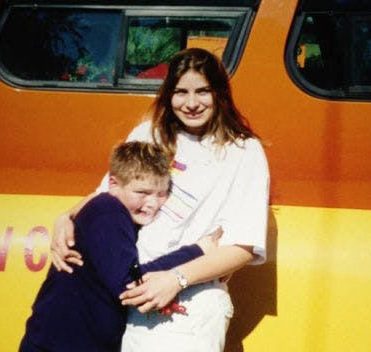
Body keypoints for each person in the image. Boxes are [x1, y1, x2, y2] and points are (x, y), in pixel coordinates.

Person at [51, 48, 270, 351]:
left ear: (219, 93)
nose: (191, 103)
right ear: (168, 94)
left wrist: (176, 279)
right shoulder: (148, 134)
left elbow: (243, 247)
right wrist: (66, 217)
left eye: (202, 91)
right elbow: (110, 195)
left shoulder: (244, 151)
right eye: (181, 92)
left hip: (190, 304)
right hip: (132, 298)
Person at [20, 141, 219, 352]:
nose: (153, 203)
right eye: (142, 192)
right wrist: (198, 251)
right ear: (114, 185)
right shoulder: (108, 211)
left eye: (162, 194)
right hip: (57, 344)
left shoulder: (122, 217)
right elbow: (129, 286)